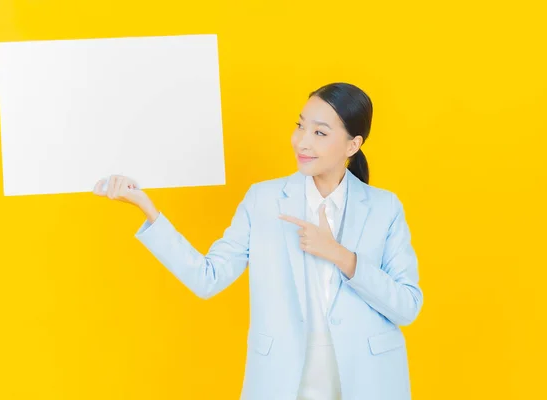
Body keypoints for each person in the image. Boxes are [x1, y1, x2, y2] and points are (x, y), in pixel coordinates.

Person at [93, 82, 424, 400]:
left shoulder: (384, 208)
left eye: (320, 133)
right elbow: (207, 278)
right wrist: (148, 210)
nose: (302, 142)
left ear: (353, 145)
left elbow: (407, 306)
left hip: (368, 382)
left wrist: (341, 256)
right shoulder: (263, 200)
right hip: (283, 383)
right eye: (300, 126)